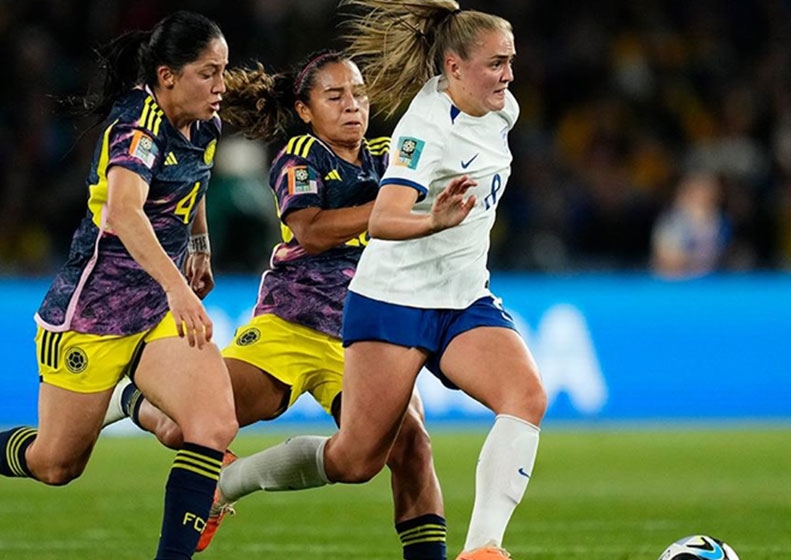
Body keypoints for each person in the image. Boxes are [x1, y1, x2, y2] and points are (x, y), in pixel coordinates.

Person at [205, 2, 549, 559]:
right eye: (496, 63)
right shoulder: (424, 130)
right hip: (393, 302)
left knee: (526, 396)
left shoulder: (501, 109)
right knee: (356, 459)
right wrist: (434, 220)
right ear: (454, 68)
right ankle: (228, 483)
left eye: (510, 61)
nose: (508, 75)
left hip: (463, 297)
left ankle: (482, 548)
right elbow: (386, 218)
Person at [106, 50, 447, 559]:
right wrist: (387, 206)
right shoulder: (300, 156)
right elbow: (310, 231)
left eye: (358, 94)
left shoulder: (390, 155)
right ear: (305, 111)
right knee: (188, 426)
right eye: (335, 96)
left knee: (409, 448)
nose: (352, 106)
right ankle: (131, 397)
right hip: (291, 326)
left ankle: (229, 485)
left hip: (365, 336)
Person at [0, 11, 238, 560]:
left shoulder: (205, 123)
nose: (221, 86)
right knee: (56, 464)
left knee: (209, 425)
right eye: (209, 73)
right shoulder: (137, 130)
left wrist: (199, 245)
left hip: (154, 312)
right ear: (168, 76)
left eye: (223, 71)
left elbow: (195, 182)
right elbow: (125, 214)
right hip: (93, 315)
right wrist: (178, 287)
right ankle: (127, 395)